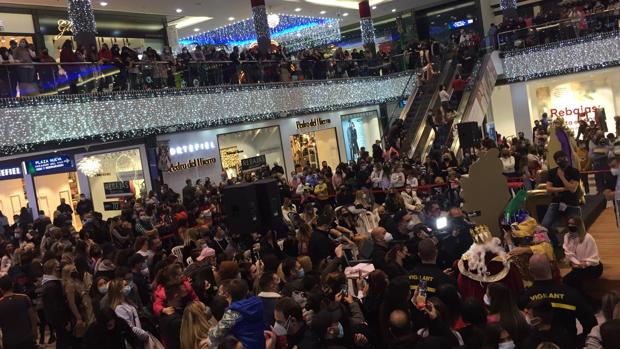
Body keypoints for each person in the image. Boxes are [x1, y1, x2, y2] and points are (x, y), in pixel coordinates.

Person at [518, 254, 596, 345]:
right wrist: (576, 342)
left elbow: (519, 329)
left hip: (536, 345)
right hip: (568, 344)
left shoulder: (524, 298)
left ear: (530, 271)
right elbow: (591, 325)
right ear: (551, 268)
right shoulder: (570, 293)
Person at [208, 279, 265, 348]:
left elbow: (215, 334)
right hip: (261, 344)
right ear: (247, 291)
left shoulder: (233, 312)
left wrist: (210, 330)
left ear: (228, 294)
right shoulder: (258, 303)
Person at [542, 150, 582, 248]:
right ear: (556, 161)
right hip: (556, 202)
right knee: (545, 225)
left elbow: (573, 189)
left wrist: (562, 177)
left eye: (564, 158)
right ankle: (556, 244)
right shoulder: (552, 172)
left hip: (572, 202)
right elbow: (548, 188)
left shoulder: (574, 171)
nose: (562, 161)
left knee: (573, 227)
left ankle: (576, 248)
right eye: (559, 159)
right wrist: (564, 188)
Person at [562, 215, 603, 294]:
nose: (570, 226)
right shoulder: (567, 237)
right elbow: (568, 253)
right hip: (578, 267)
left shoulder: (588, 238)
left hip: (592, 267)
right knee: (566, 280)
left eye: (573, 224)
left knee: (575, 278)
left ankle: (581, 299)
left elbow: (594, 258)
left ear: (579, 225)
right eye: (569, 224)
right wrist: (576, 263)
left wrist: (584, 264)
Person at [0, 276, 39, 349]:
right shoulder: (24, 298)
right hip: (27, 337)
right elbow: (32, 318)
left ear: (1, 289)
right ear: (12, 285)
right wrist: (35, 332)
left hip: (10, 341)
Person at [107, 279, 150, 344]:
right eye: (125, 285)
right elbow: (130, 327)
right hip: (135, 340)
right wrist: (144, 334)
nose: (128, 286)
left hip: (139, 338)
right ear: (119, 290)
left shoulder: (127, 301)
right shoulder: (119, 308)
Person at [160, 280, 188, 349]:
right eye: (183, 292)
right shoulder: (176, 321)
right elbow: (188, 341)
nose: (186, 292)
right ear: (176, 296)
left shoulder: (163, 312)